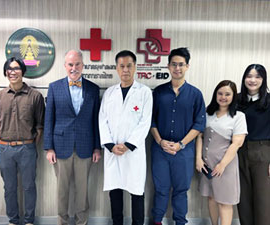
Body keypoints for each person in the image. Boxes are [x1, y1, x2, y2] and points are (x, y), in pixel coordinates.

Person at [44, 50, 101, 225]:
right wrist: (49, 147)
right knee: (62, 191)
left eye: (77, 64)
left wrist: (97, 147)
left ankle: (81, 222)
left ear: (83, 66)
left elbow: (96, 120)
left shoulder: (93, 88)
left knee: (82, 191)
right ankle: (62, 221)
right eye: (70, 64)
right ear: (65, 66)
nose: (74, 68)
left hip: (86, 146)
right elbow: (49, 118)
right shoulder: (54, 87)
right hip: (60, 146)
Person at [150, 47, 206, 225]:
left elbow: (199, 124)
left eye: (181, 64)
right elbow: (151, 121)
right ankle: (157, 221)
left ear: (187, 66)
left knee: (181, 190)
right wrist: (160, 141)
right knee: (161, 189)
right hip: (160, 150)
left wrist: (181, 144)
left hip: (184, 151)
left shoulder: (195, 94)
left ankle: (180, 222)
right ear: (168, 66)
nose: (177, 68)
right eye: (174, 64)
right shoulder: (158, 93)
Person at [99, 50, 152, 225]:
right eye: (122, 66)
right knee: (115, 192)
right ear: (116, 68)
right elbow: (102, 120)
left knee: (136, 192)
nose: (125, 70)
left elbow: (145, 123)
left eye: (129, 66)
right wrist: (110, 145)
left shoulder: (144, 92)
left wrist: (128, 145)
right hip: (113, 151)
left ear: (135, 67)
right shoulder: (109, 93)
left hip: (133, 152)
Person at [0, 57, 45, 225]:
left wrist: (30, 145)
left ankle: (29, 220)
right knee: (9, 188)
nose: (12, 72)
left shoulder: (35, 96)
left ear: (23, 71)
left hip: (27, 148)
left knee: (29, 186)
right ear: (5, 72)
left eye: (16, 68)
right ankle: (13, 220)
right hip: (4, 149)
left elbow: (40, 125)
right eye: (9, 68)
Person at [196, 80, 247, 225]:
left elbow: (237, 143)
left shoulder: (238, 116)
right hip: (207, 164)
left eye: (227, 94)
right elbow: (199, 136)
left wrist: (222, 165)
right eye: (220, 93)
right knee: (211, 197)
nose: (223, 97)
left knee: (225, 201)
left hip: (225, 166)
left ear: (233, 97)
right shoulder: (207, 112)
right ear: (215, 94)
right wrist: (198, 159)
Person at [237, 64, 270, 225]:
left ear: (263, 80)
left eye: (257, 76)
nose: (252, 80)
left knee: (263, 201)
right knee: (243, 200)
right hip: (239, 152)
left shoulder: (269, 101)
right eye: (249, 76)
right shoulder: (236, 100)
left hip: (263, 152)